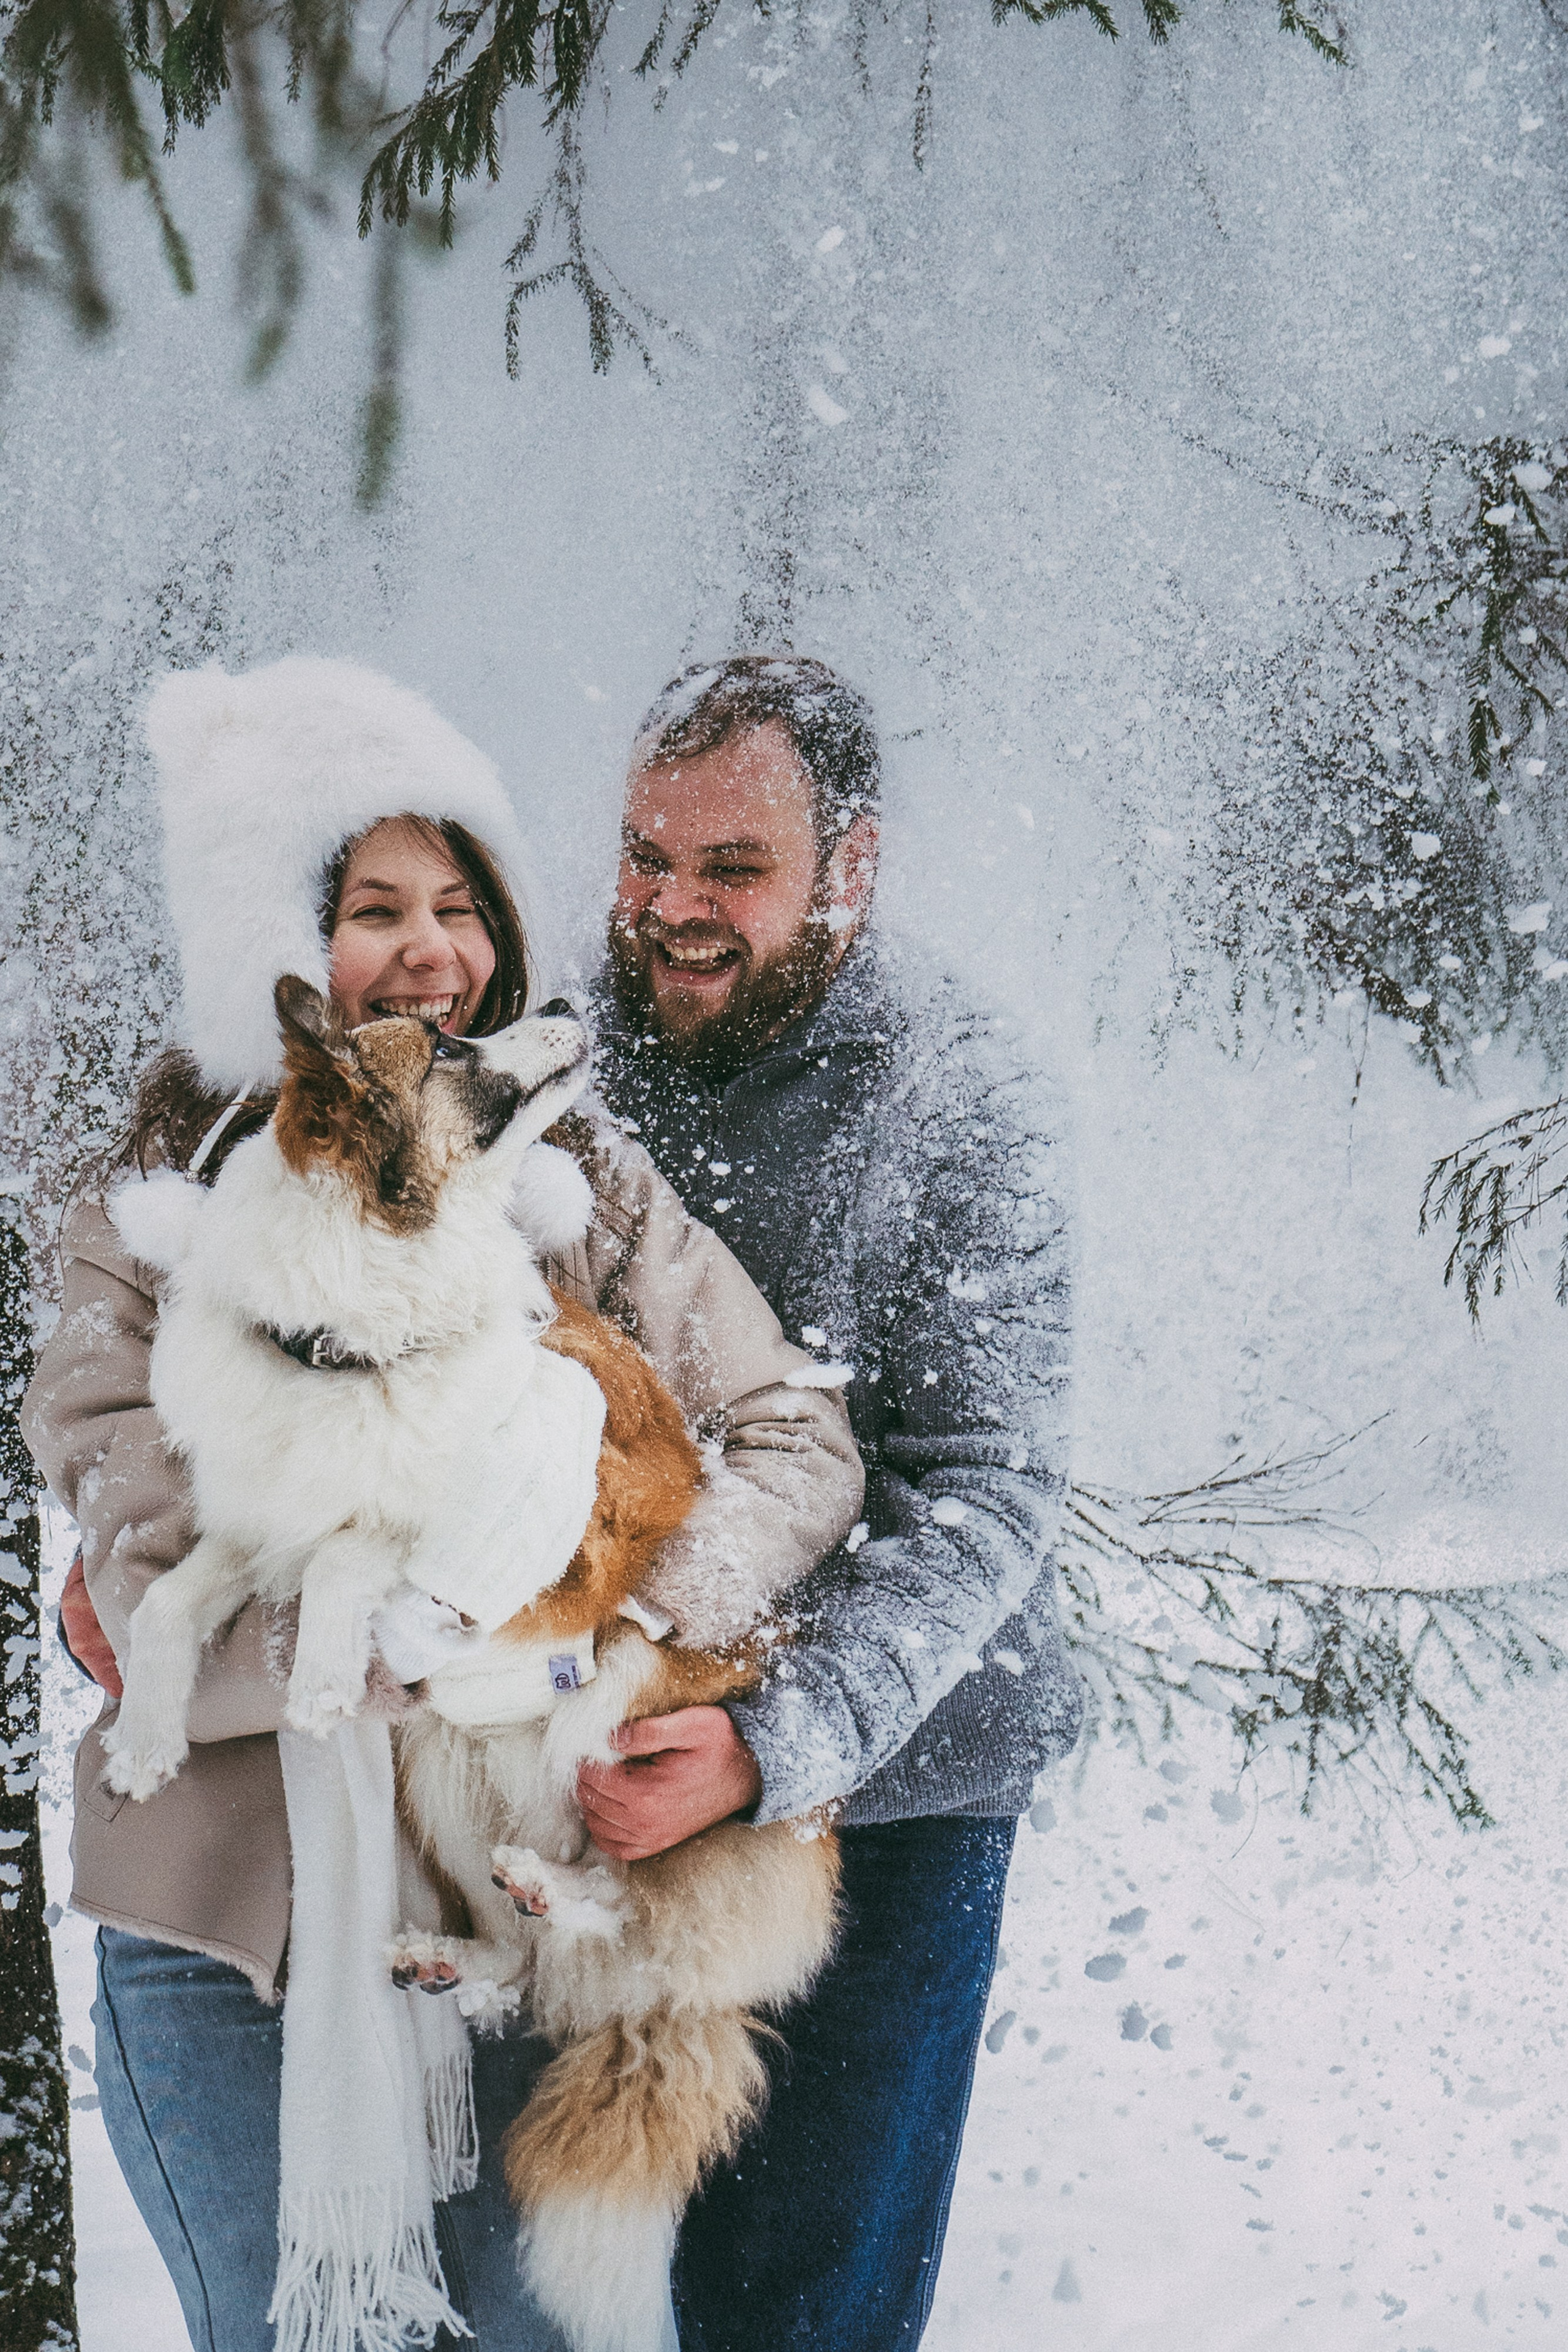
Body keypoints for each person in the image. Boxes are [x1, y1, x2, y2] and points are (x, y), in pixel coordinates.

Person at [25, 655, 865, 2352]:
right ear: (276, 935)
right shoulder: (146, 1232)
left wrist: (596, 1623)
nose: (435, 950)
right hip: (233, 1936)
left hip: (517, 1906)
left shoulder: (575, 1186)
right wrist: (410, 1633)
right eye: (375, 906)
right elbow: (147, 1578)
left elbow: (796, 1437)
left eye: (463, 903)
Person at [571, 655, 1082, 2352]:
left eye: (733, 869)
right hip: (597, 1759)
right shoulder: (564, 1052)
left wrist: (774, 1741)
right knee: (527, 2281)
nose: (673, 908)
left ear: (848, 870)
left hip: (890, 1796)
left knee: (794, 2311)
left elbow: (988, 1496)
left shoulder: (961, 1098)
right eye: (649, 856)